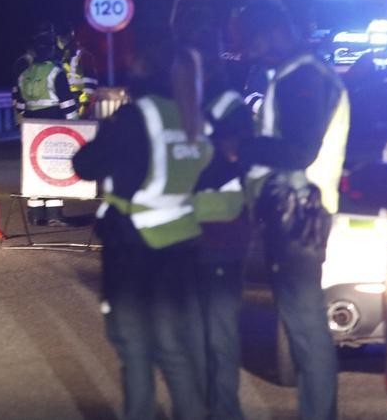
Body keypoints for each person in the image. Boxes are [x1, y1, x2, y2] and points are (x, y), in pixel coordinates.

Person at [73, 30, 210, 420]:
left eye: (136, 61)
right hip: (181, 244)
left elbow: (85, 165)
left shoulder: (136, 117)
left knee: (133, 348)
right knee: (173, 348)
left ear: (148, 68)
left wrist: (108, 130)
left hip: (133, 246)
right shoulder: (190, 117)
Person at [234, 2, 348, 420]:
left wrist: (240, 149)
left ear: (272, 31)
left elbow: (299, 151)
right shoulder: (300, 72)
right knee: (301, 323)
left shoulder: (304, 74)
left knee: (304, 325)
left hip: (301, 213)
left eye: (249, 42)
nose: (246, 52)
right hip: (297, 209)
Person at [176, 25, 255, 420]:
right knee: (192, 328)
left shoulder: (227, 106)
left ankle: (223, 413)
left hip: (221, 230)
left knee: (218, 329)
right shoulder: (184, 104)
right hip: (190, 231)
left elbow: (234, 161)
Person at [15, 28, 79, 225]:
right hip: (53, 121)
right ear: (51, 50)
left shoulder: (24, 74)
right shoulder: (56, 72)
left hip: (31, 123)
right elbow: (67, 103)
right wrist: (74, 127)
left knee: (34, 166)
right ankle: (54, 214)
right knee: (53, 166)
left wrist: (22, 125)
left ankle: (35, 214)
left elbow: (19, 104)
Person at [58, 22, 100, 118]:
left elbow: (90, 86)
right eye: (60, 37)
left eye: (63, 37)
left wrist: (85, 106)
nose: (62, 40)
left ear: (71, 35)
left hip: (78, 101)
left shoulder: (84, 56)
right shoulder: (59, 56)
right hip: (64, 102)